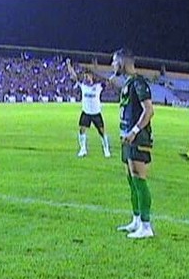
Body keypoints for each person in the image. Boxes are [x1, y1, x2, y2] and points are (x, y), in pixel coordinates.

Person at [110, 47, 155, 239]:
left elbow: (149, 111)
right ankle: (136, 219)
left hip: (138, 138)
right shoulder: (129, 83)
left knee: (139, 179)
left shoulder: (139, 83)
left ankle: (146, 226)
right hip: (126, 137)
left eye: (114, 61)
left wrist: (135, 131)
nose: (112, 65)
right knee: (131, 180)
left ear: (123, 62)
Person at [66, 60, 110, 158]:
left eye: (88, 76)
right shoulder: (83, 86)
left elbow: (109, 80)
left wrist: (97, 68)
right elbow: (73, 75)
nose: (86, 77)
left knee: (102, 132)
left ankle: (106, 149)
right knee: (82, 130)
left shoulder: (98, 86)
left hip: (96, 113)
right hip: (86, 112)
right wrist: (69, 65)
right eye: (85, 76)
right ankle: (83, 149)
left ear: (91, 77)